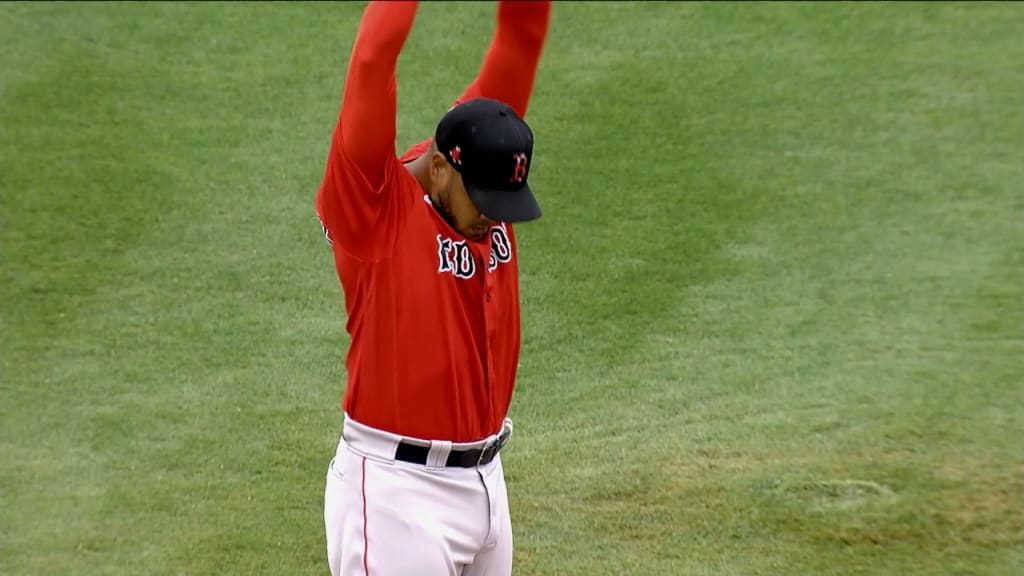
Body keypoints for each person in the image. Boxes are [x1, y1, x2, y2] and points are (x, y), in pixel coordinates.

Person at [314, 1, 552, 574]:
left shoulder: (486, 147)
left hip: (487, 483)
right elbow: (375, 56)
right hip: (399, 498)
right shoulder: (372, 204)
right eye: (487, 204)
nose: (496, 220)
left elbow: (522, 31)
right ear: (442, 168)